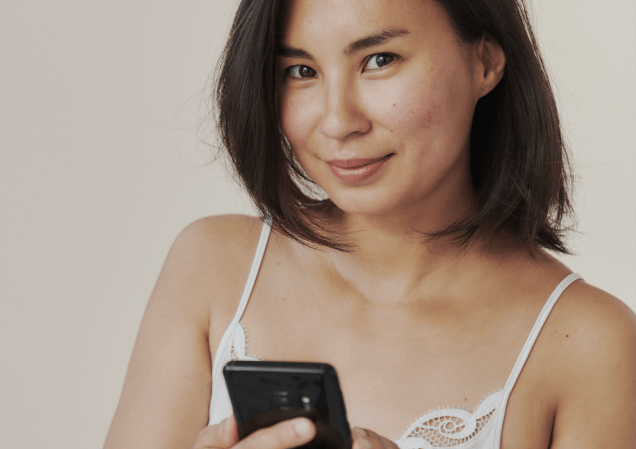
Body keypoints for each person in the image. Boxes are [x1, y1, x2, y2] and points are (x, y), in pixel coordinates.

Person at [103, 0, 636, 447]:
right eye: (302, 71)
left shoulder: (587, 345)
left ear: (485, 61)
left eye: (379, 60)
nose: (338, 121)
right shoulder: (213, 269)